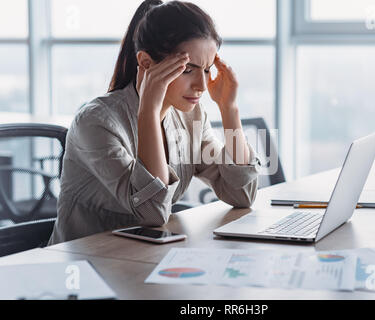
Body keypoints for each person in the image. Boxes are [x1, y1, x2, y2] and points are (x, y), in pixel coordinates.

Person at [48, 0, 260, 245]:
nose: (202, 86)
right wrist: (149, 110)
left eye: (206, 70)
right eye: (188, 70)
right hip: (87, 267)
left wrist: (229, 109)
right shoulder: (96, 122)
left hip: (147, 260)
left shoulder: (191, 116)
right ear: (147, 64)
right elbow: (153, 212)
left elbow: (242, 194)